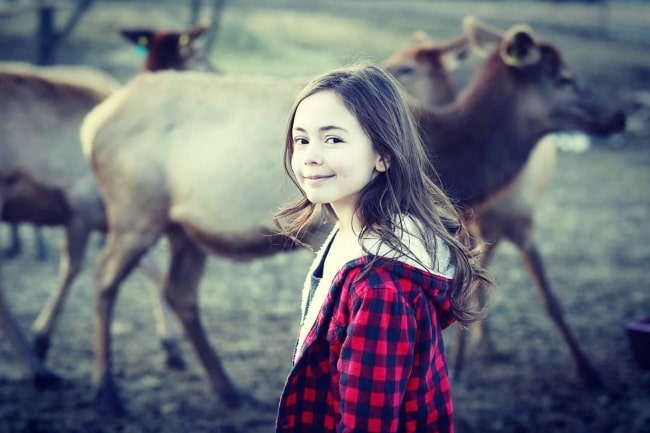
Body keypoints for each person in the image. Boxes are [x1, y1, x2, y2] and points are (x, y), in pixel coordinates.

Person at [273, 61, 493, 433]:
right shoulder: (349, 238)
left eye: (334, 139)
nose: (310, 155)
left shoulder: (380, 288)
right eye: (302, 139)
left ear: (383, 155)